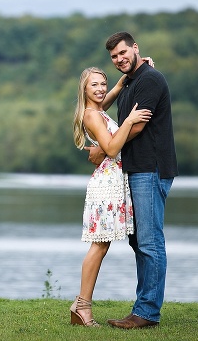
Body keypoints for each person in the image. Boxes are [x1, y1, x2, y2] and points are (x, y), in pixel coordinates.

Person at [88, 31, 178, 329]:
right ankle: (143, 308)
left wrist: (104, 148)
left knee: (150, 242)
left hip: (151, 168)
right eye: (114, 56)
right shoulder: (131, 82)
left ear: (135, 48)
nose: (119, 59)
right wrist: (120, 82)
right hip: (135, 169)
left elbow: (137, 127)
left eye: (123, 53)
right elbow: (100, 109)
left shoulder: (150, 80)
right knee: (139, 241)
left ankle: (147, 312)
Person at [70, 66, 153, 327]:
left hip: (112, 181)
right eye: (94, 85)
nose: (100, 89)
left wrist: (130, 75)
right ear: (84, 89)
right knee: (99, 245)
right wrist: (129, 121)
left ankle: (80, 305)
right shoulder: (91, 115)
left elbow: (110, 94)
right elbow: (112, 148)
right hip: (106, 185)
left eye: (102, 84)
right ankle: (82, 306)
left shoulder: (98, 109)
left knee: (101, 245)